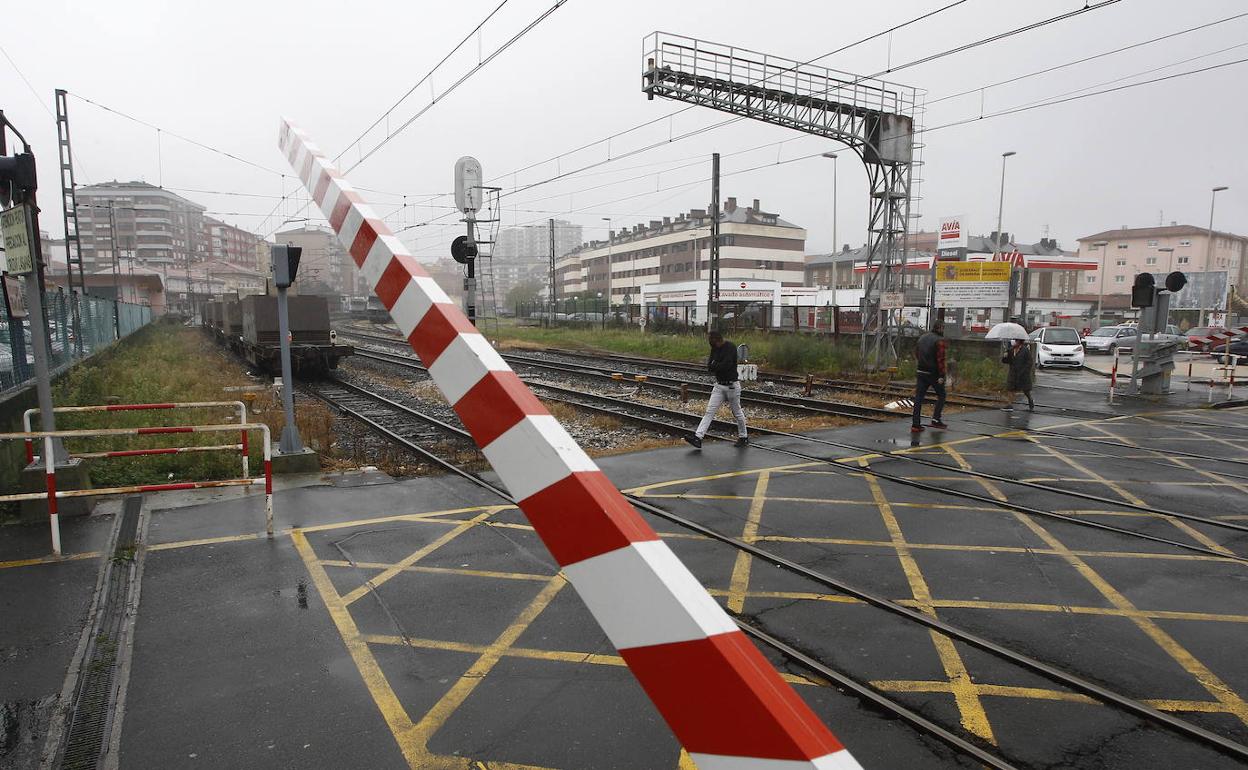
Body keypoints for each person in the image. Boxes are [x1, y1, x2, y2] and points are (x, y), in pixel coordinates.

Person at [684, 330, 748, 448]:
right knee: (709, 411)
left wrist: (716, 365)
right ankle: (698, 437)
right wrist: (717, 365)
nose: (710, 342)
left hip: (732, 386)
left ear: (716, 339)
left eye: (711, 339)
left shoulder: (730, 347)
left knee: (737, 412)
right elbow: (710, 366)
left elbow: (727, 365)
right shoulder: (715, 349)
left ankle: (743, 436)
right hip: (719, 385)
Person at [911, 321, 948, 434]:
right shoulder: (939, 341)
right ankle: (936, 419)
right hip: (933, 373)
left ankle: (916, 424)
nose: (943, 330)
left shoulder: (922, 338)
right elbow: (940, 359)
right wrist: (941, 375)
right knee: (942, 395)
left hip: (921, 371)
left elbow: (917, 353)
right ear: (940, 328)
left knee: (919, 398)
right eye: (943, 328)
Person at [1003, 338, 1035, 411]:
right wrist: (1005, 356)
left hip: (1022, 373)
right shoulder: (1011, 350)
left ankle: (1030, 400)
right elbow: (1006, 361)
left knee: (1026, 390)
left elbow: (1029, 362)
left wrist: (1025, 371)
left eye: (1016, 341)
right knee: (1010, 388)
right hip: (1013, 372)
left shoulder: (1025, 350)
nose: (1014, 342)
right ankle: (1009, 404)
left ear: (1019, 342)